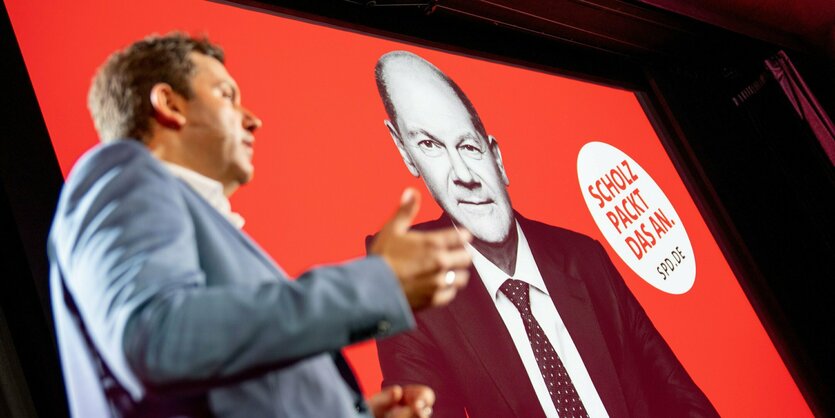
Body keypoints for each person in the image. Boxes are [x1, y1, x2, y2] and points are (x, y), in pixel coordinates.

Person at [48, 34, 474, 418]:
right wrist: (374, 287)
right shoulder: (122, 173)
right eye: (226, 95)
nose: (253, 119)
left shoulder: (194, 221)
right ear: (169, 104)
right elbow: (157, 341)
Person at [372, 51, 719, 418]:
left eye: (468, 146)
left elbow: (678, 393)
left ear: (497, 159)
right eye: (430, 146)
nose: (464, 175)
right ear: (406, 154)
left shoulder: (585, 257)